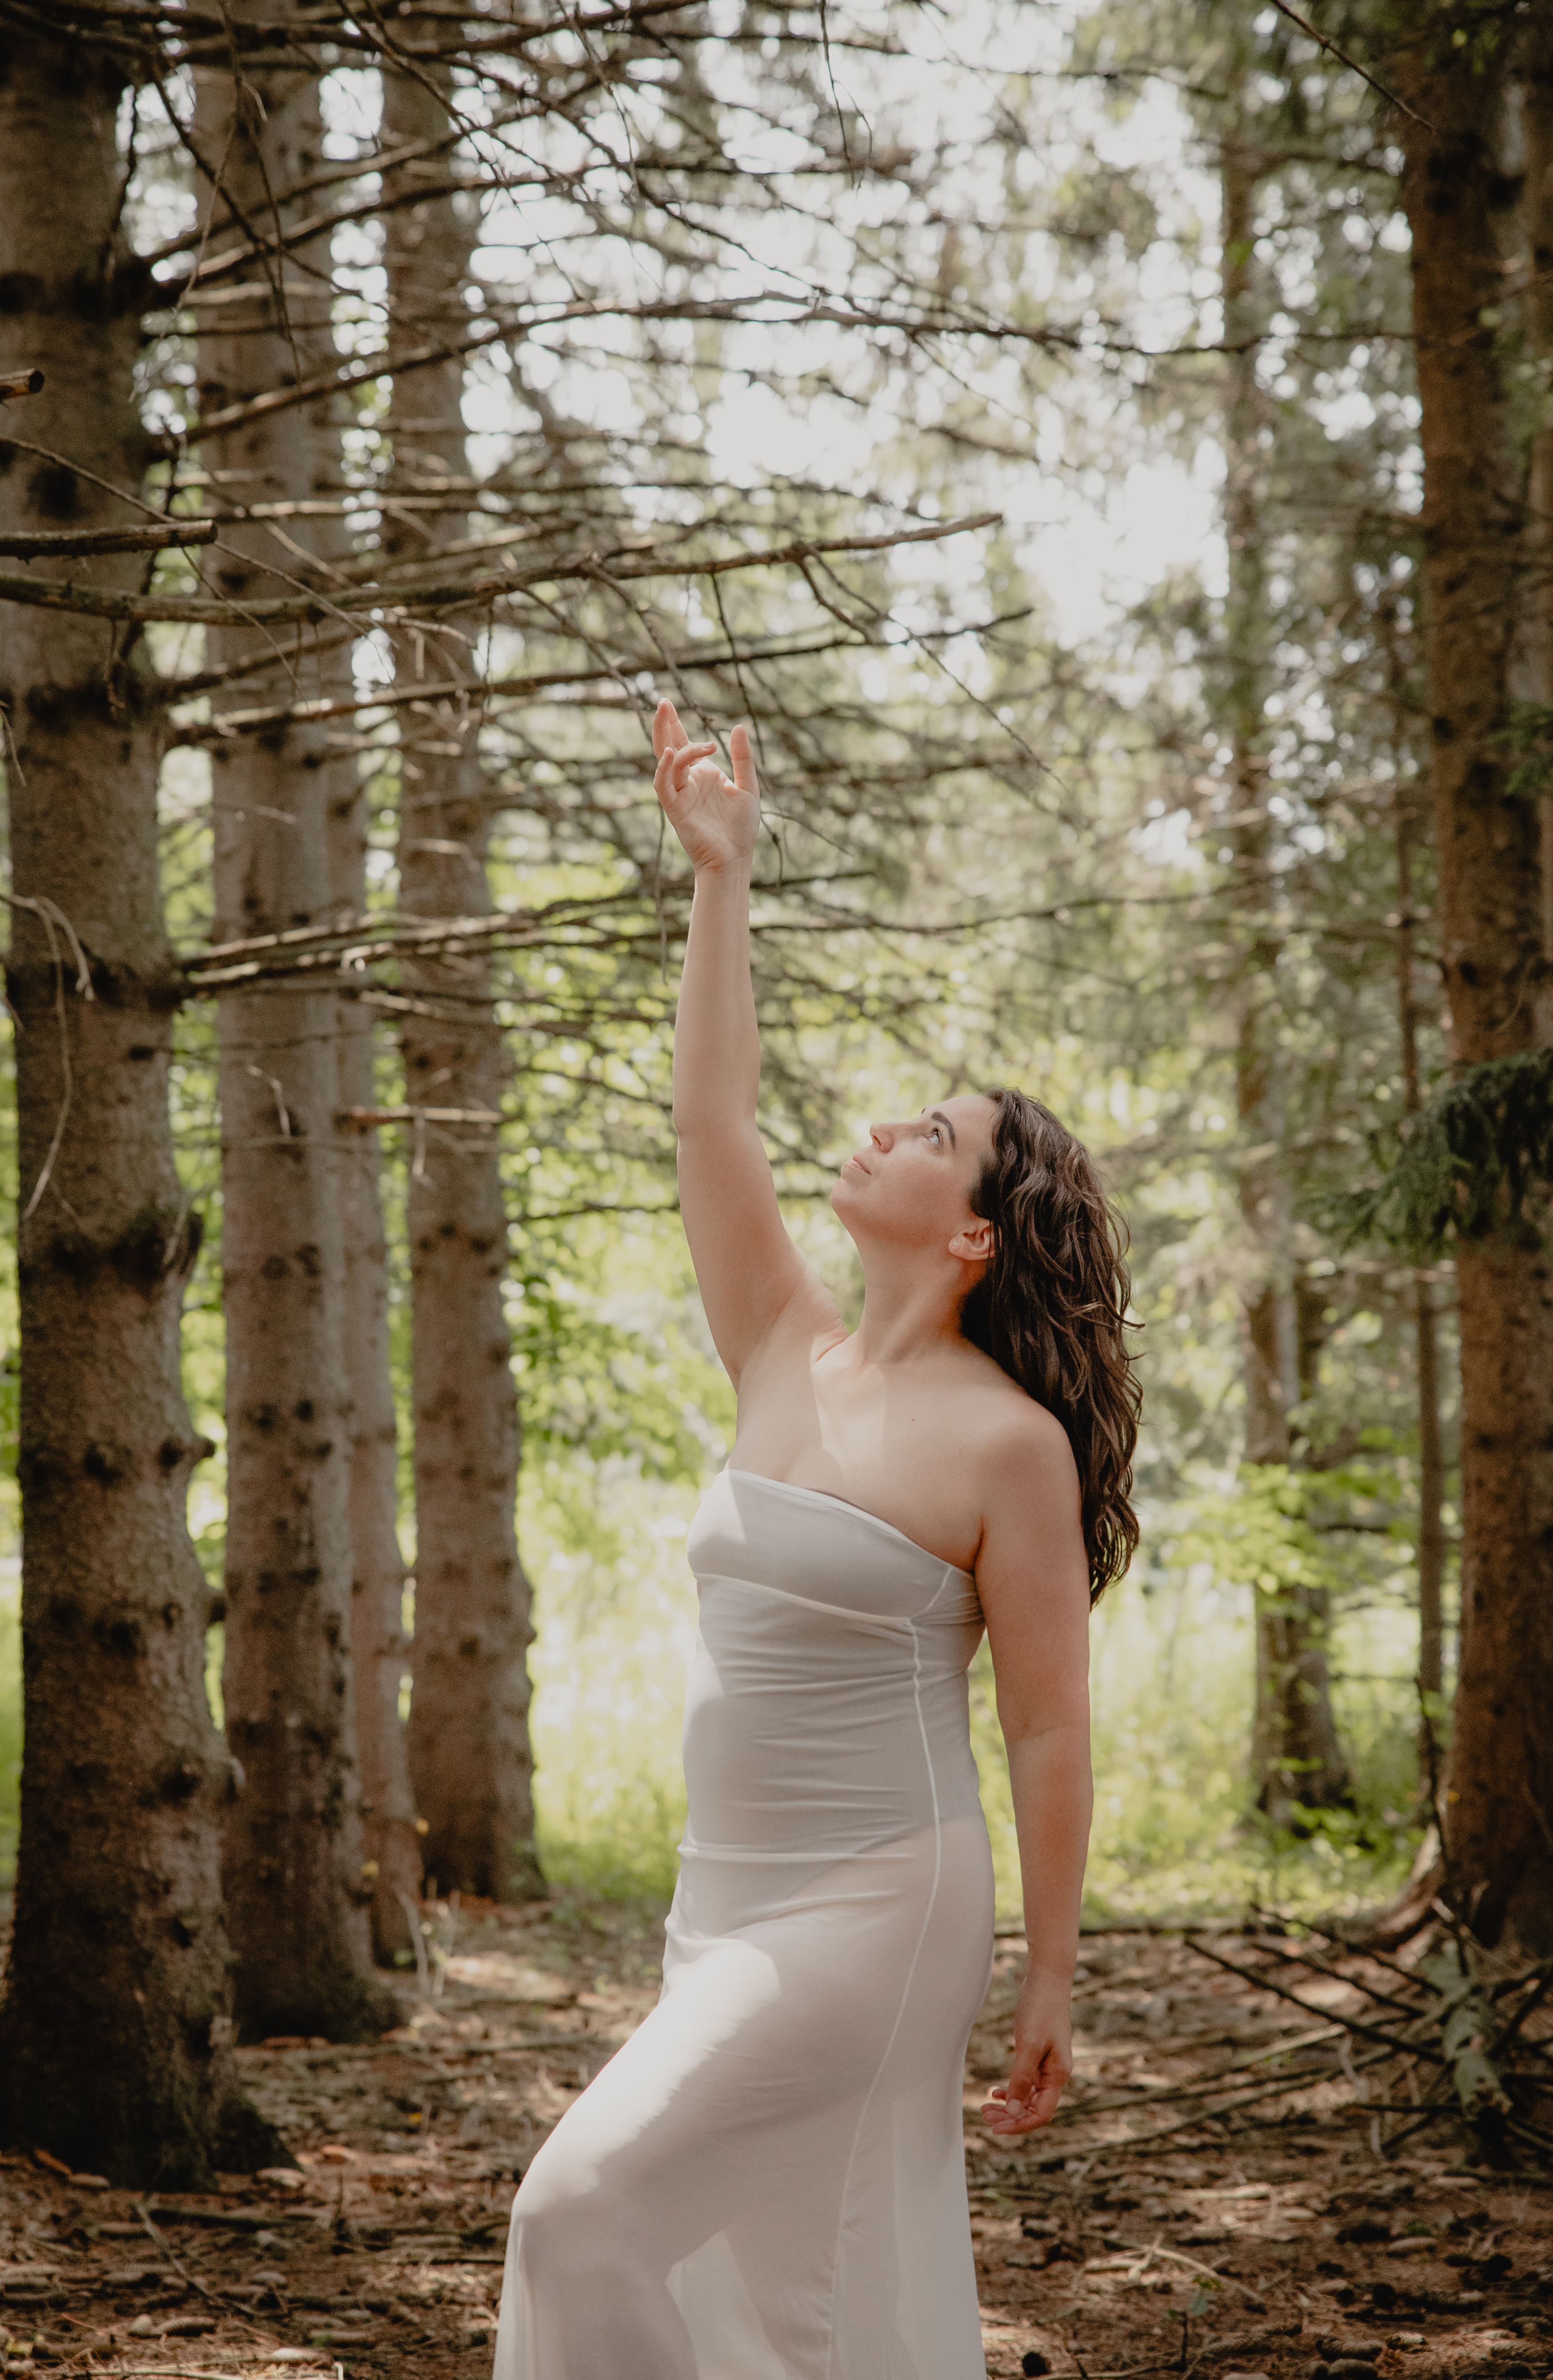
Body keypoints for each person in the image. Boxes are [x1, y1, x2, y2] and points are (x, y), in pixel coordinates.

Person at [491, 701, 1140, 2380]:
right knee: (778, 2297)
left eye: (933, 1134)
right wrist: (722, 876)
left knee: (577, 2211)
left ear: (979, 1230)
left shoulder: (1008, 1445)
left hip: (874, 1906)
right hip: (723, 1899)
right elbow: (711, 1122)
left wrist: (1050, 1973)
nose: (882, 1129)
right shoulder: (785, 1340)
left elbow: (1049, 1721)